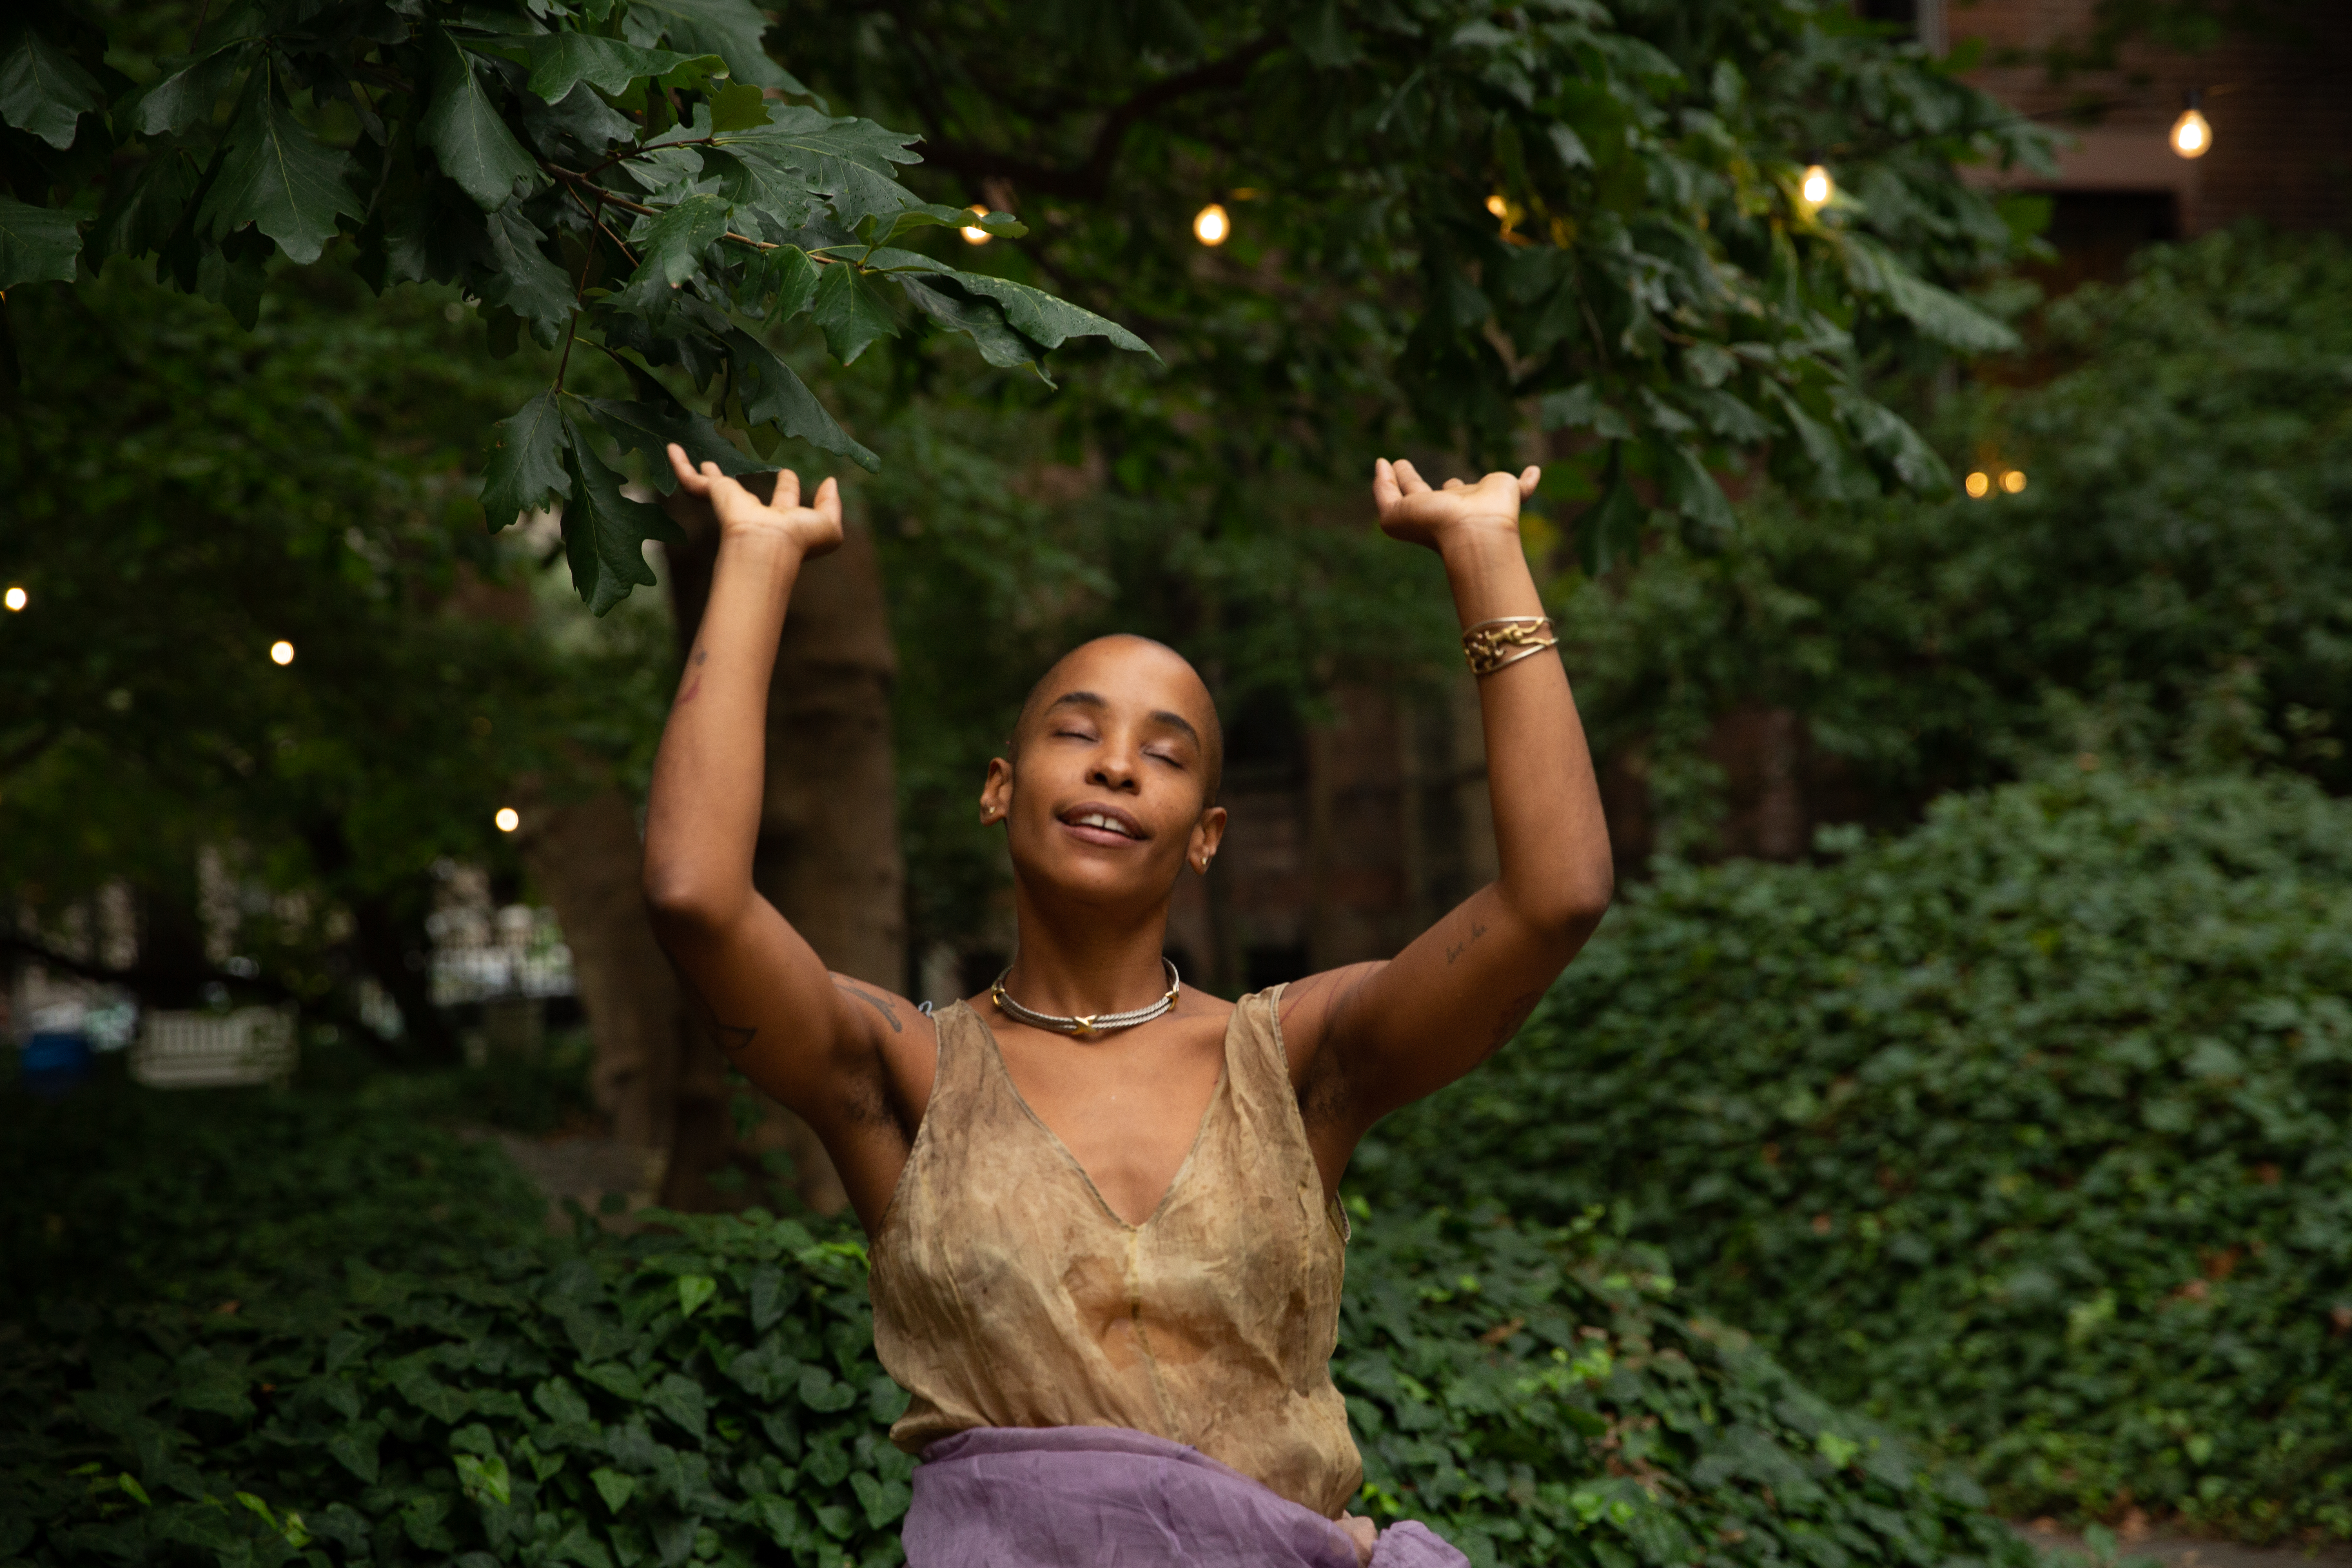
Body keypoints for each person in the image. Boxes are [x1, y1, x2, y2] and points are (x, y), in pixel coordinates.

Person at [643, 441, 1614, 1568]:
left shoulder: (1299, 1059)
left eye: (1165, 754)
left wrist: (1486, 552)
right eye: (1076, 732)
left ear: (1206, 837)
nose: (1115, 767)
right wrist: (757, 559)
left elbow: (1556, 899)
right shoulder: (901, 1072)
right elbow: (695, 898)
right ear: (1000, 788)